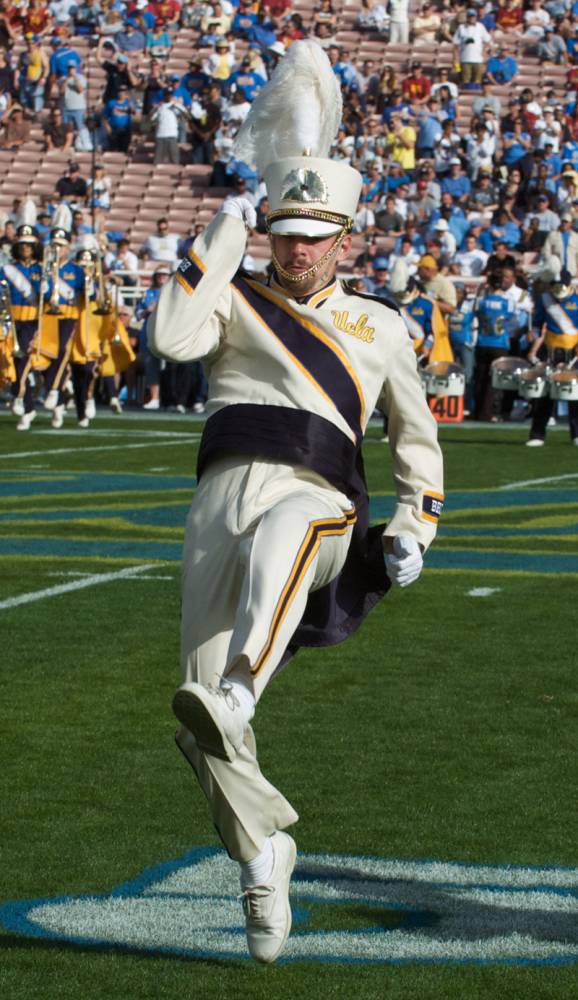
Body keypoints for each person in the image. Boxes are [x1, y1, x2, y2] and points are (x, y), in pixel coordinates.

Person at [147, 40, 443, 966]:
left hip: (319, 492)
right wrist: (220, 241)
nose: (300, 249)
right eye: (285, 232)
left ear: (345, 239)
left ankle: (244, 688)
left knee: (291, 540)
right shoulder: (235, 297)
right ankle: (264, 852)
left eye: (315, 236)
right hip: (214, 499)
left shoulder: (384, 326)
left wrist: (415, 527)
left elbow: (417, 442)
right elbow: (170, 336)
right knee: (196, 726)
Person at [1, 199, 44, 431]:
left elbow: (47, 299)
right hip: (11, 321)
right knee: (11, 365)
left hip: (31, 322)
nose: (25, 248)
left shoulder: (41, 270)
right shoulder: (7, 269)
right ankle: (27, 408)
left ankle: (19, 397)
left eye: (29, 245)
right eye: (22, 244)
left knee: (23, 364)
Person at [526, 270, 578, 446]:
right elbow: (538, 323)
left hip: (574, 351)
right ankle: (537, 435)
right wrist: (533, 334)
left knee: (574, 393)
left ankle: (576, 434)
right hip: (550, 351)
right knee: (544, 394)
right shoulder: (545, 298)